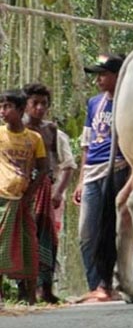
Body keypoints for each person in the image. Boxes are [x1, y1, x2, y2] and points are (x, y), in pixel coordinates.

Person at [72, 54, 129, 302]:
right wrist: (80, 178)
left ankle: (113, 284)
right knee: (86, 232)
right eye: (98, 75)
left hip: (116, 168)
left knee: (113, 229)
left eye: (104, 74)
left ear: (118, 76)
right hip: (92, 172)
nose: (99, 79)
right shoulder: (93, 103)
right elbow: (86, 144)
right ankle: (96, 284)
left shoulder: (129, 102)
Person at [22, 83, 76, 304]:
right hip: (22, 193)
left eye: (43, 103)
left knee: (49, 240)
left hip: (49, 195)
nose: (39, 108)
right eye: (34, 103)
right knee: (24, 239)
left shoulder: (53, 131)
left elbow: (68, 165)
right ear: (24, 105)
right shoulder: (14, 130)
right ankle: (24, 288)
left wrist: (58, 193)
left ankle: (46, 287)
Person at [0, 89, 48, 305]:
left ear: (20, 110)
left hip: (22, 201)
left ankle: (30, 297)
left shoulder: (34, 138)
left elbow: (43, 169)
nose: (2, 111)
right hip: (2, 198)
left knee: (28, 244)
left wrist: (30, 194)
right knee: (1, 243)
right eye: (1, 107)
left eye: (7, 107)